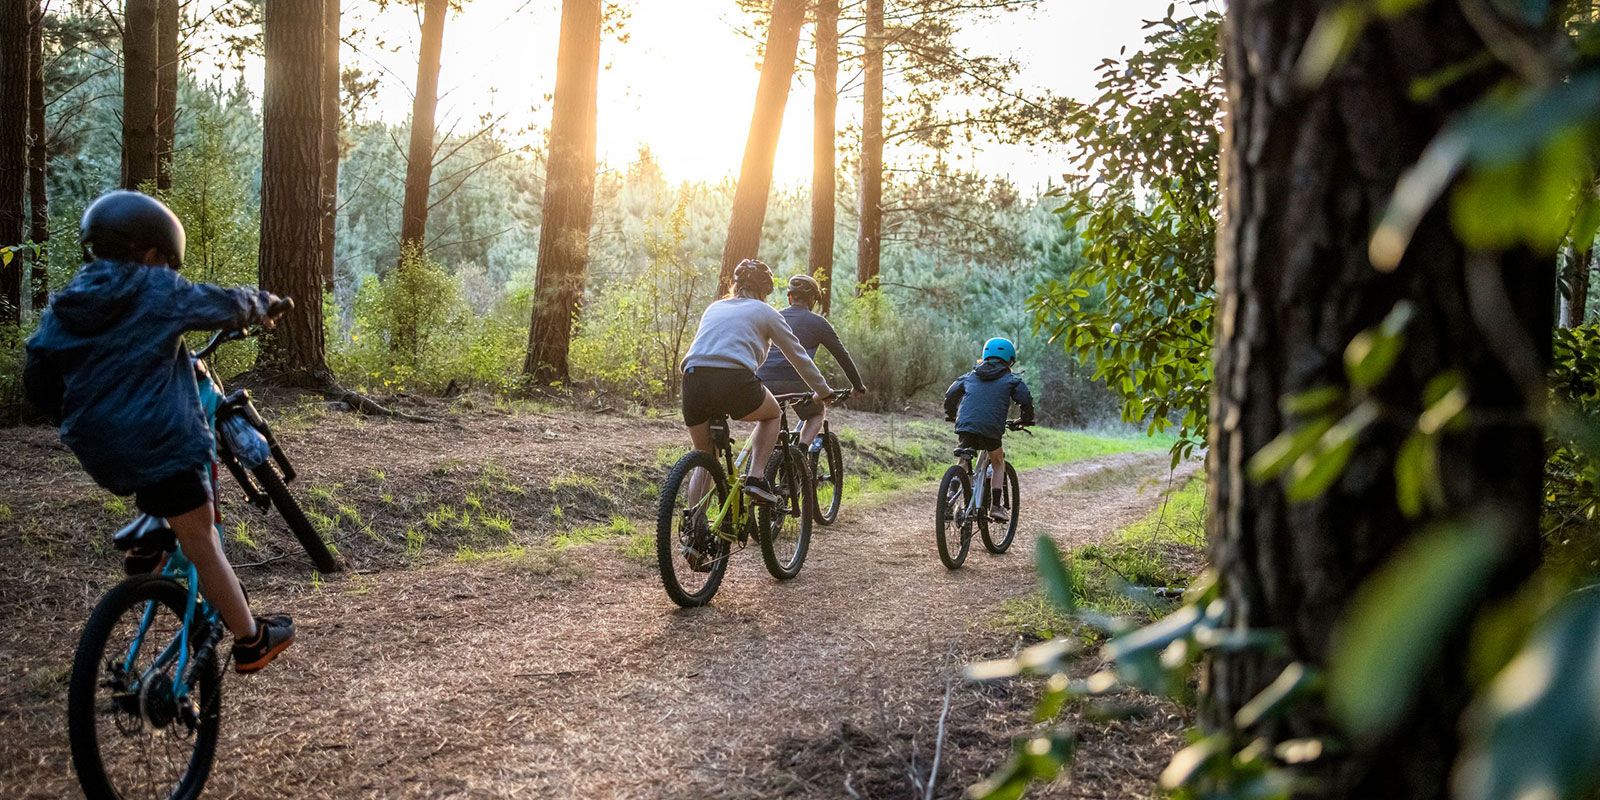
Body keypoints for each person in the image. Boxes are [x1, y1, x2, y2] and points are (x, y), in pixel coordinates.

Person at [24, 190, 296, 674]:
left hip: (99, 450)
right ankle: (252, 640)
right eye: (167, 261)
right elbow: (220, 303)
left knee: (155, 480)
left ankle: (149, 538)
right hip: (164, 443)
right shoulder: (155, 289)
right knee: (202, 541)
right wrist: (265, 305)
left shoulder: (68, 302)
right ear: (152, 252)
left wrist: (83, 413)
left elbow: (38, 376)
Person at [680, 259, 834, 503]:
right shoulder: (766, 312)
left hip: (692, 378)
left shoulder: (714, 308)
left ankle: (694, 530)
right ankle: (756, 479)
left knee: (706, 455)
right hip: (733, 378)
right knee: (772, 414)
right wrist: (823, 391)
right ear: (765, 291)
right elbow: (799, 357)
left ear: (736, 285)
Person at [755, 274, 868, 451]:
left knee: (771, 420)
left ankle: (770, 462)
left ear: (790, 297)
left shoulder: (775, 317)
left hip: (763, 379)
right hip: (796, 379)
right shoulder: (818, 323)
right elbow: (842, 355)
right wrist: (857, 385)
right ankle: (801, 453)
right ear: (813, 299)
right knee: (816, 413)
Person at [943, 337, 1034, 522]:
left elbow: (951, 394)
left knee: (963, 460)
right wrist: (1025, 420)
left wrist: (951, 414)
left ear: (985, 356)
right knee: (998, 461)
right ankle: (996, 506)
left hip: (966, 426)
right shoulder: (1010, 380)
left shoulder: (970, 376)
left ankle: (950, 497)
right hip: (991, 429)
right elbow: (1025, 399)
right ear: (1010, 360)